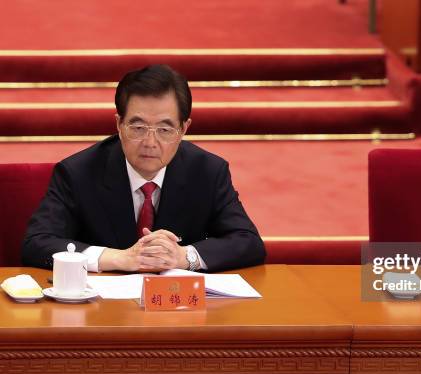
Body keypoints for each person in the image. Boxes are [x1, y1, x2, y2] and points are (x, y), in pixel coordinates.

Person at [22, 64, 265, 272]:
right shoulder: (78, 172)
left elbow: (248, 242)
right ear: (119, 124)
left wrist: (184, 257)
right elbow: (37, 243)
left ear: (184, 129)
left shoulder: (208, 172)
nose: (150, 142)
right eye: (137, 128)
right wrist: (118, 258)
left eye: (165, 130)